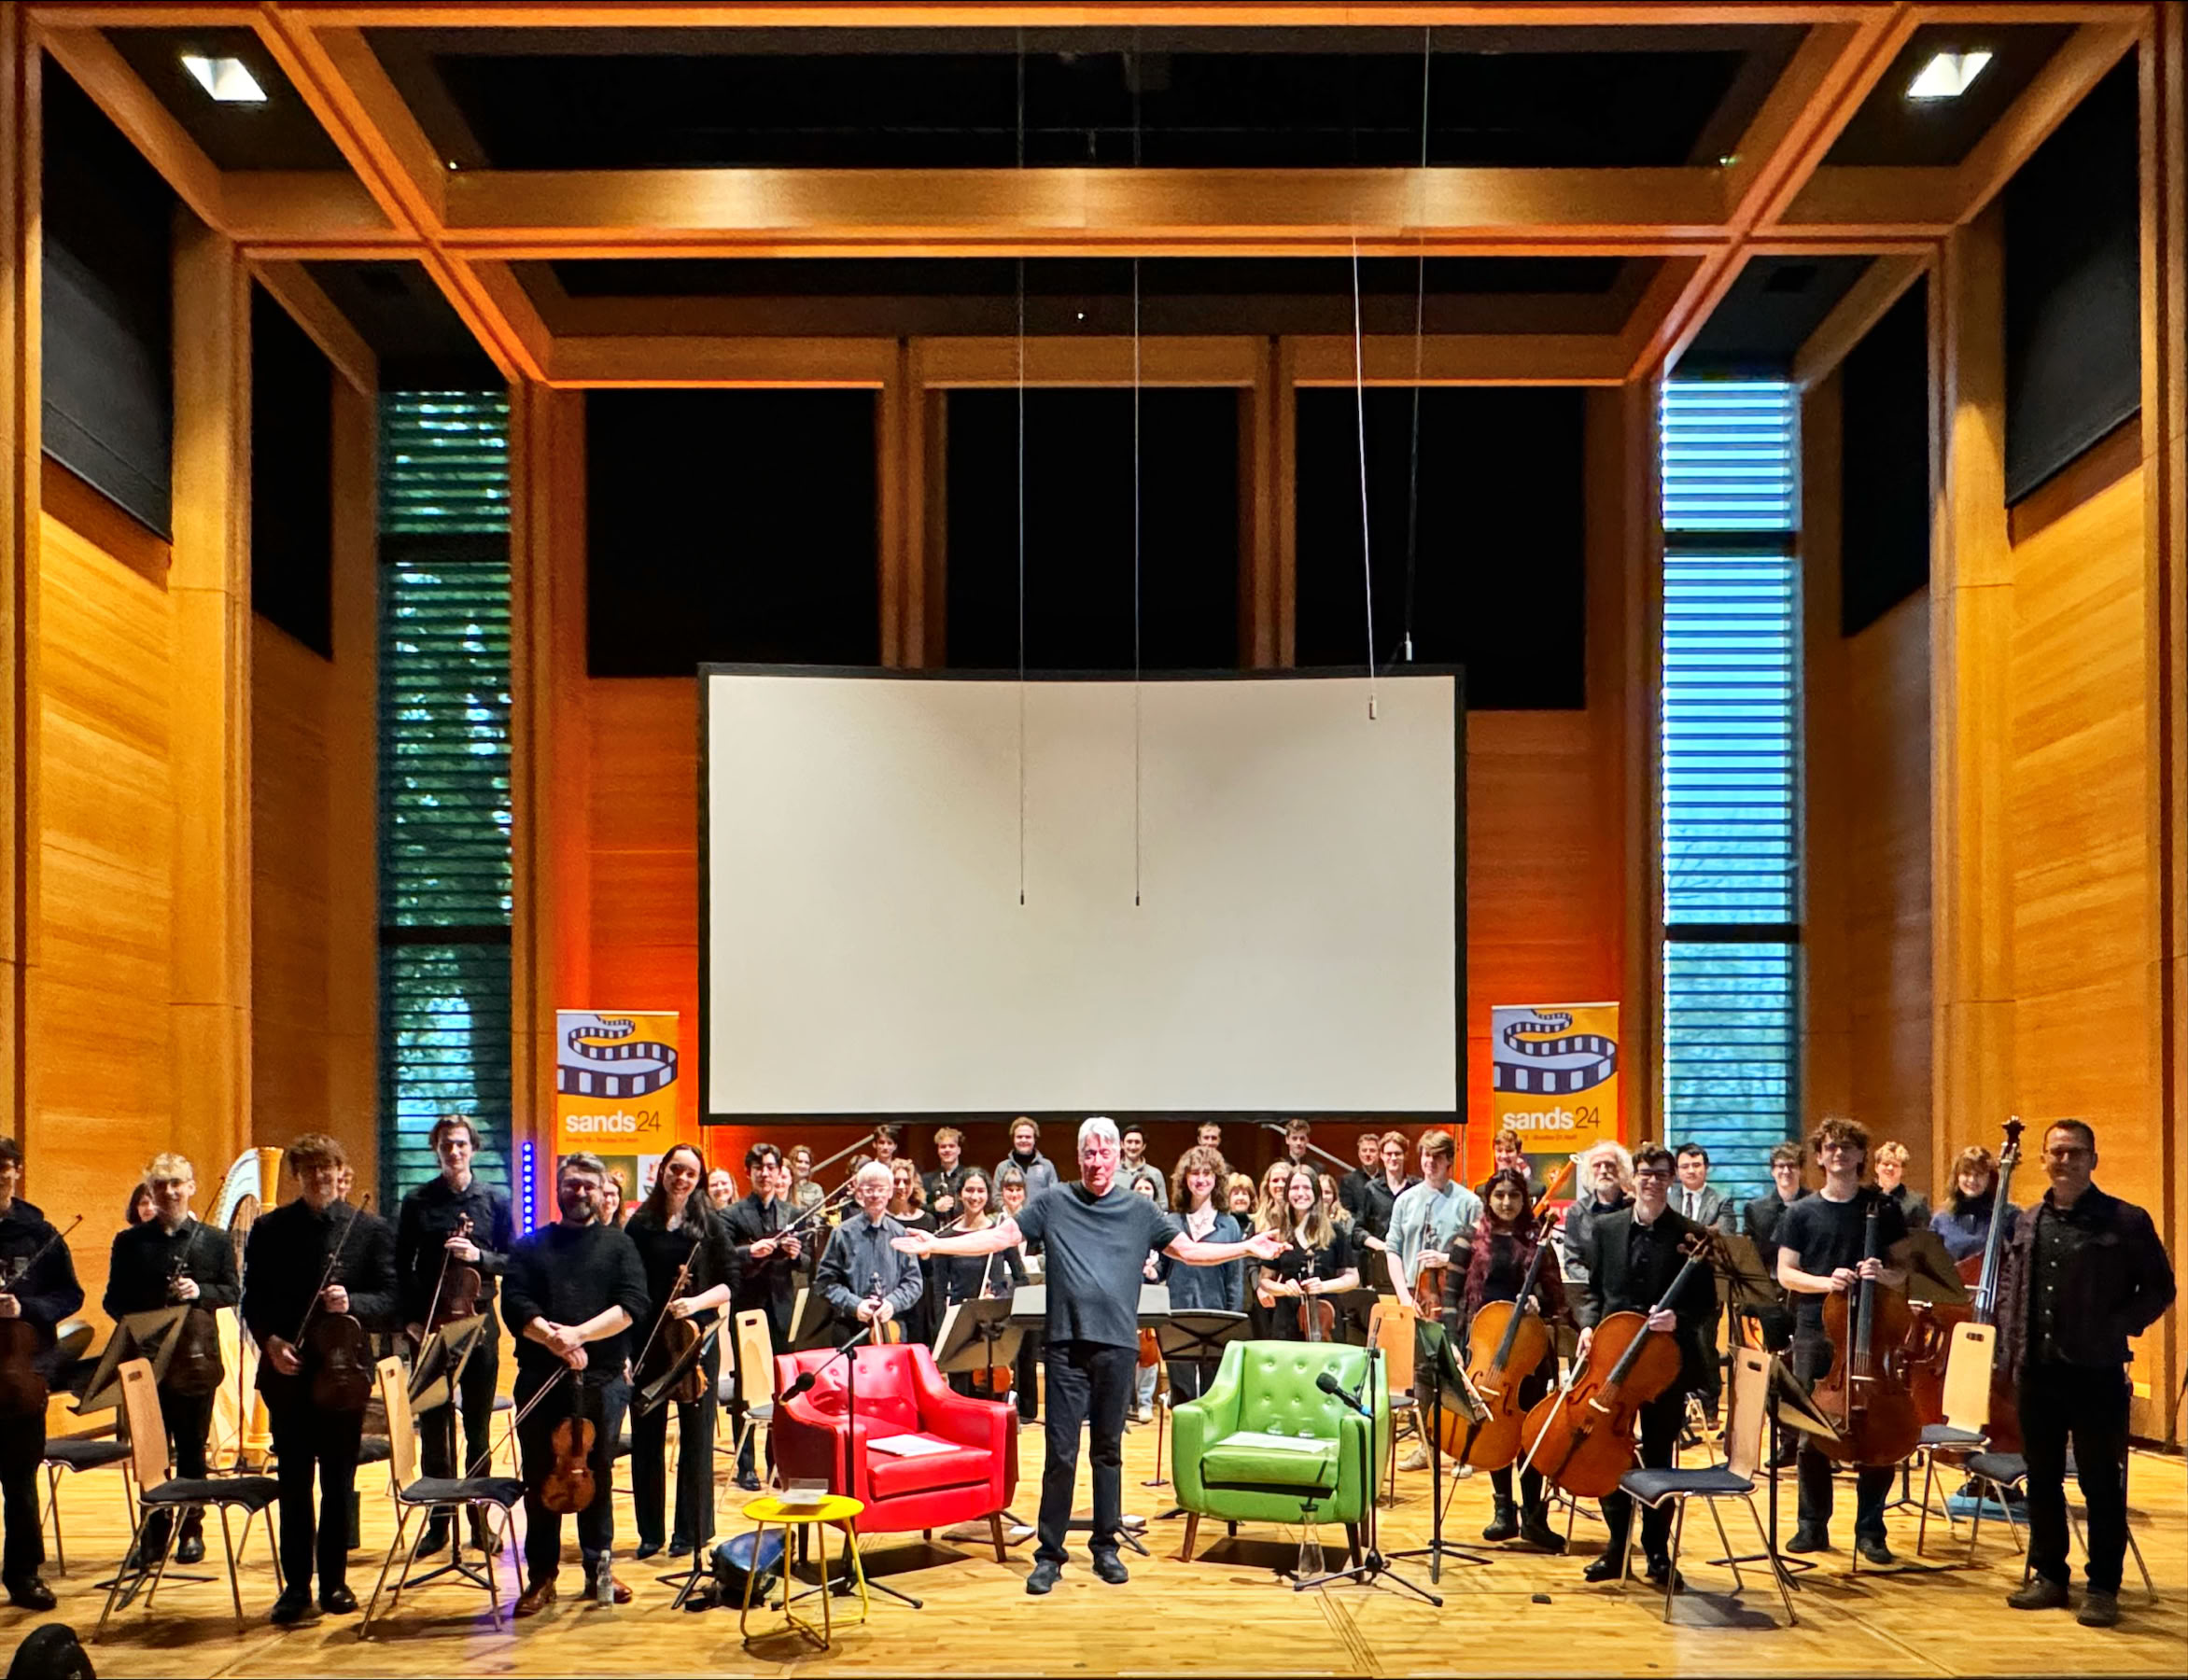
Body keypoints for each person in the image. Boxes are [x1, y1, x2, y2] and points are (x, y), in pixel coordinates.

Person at [895, 1117, 1282, 1594]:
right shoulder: (1055, 1202)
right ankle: (1050, 1553)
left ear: (1119, 1156)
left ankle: (1106, 1546)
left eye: (1105, 1153)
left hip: (1117, 1346)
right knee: (1060, 1453)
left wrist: (1246, 1245)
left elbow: (1188, 1252)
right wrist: (938, 1243)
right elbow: (1000, 1238)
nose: (1097, 1162)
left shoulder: (1140, 1209)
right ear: (1079, 1158)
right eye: (1089, 1154)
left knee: (1108, 1451)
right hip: (1064, 1345)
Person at [1997, 1120, 2175, 1628]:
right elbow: (2012, 1289)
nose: (2065, 1161)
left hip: (2096, 1374)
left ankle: (2102, 1588)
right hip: (2038, 1373)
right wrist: (2010, 1351)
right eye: (2056, 1152)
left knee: (2101, 1484)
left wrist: (2115, 1327)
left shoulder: (2125, 1220)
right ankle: (2051, 1576)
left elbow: (2160, 1288)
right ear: (2043, 1160)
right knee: (2044, 1480)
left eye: (2075, 1153)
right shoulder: (2027, 1222)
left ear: (2093, 1160)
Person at [241, 1134, 396, 1624]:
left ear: (342, 1173)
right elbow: (253, 1300)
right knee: (294, 1483)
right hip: (287, 1374)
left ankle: (335, 1582)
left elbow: (391, 1299)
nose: (321, 1179)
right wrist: (270, 1342)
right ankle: (294, 1586)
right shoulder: (269, 1229)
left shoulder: (368, 1230)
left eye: (329, 1170)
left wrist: (354, 1303)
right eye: (311, 1172)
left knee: (337, 1482)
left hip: (344, 1376)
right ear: (297, 1178)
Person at [504, 1152, 651, 1615]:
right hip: (540, 1377)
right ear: (559, 1188)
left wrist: (579, 1336)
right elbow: (516, 1305)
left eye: (588, 1184)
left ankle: (598, 1569)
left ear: (603, 1188)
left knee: (597, 1474)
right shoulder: (531, 1247)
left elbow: (633, 1304)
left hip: (601, 1380)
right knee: (539, 1475)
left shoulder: (619, 1246)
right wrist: (554, 1340)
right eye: (571, 1184)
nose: (580, 1192)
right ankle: (542, 1575)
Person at [1570, 1142, 1716, 1589]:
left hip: (1661, 1365)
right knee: (1608, 1450)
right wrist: (1589, 1326)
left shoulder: (1691, 1234)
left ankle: (1656, 1551)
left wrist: (1678, 1320)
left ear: (1671, 1180)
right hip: (1612, 1357)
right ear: (1633, 1179)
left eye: (1660, 1174)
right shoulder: (1607, 1227)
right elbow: (1594, 1291)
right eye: (1645, 1174)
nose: (1652, 1181)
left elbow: (1707, 1305)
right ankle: (1617, 1549)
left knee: (1657, 1457)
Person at [1774, 1116, 1907, 1564]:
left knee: (1878, 1430)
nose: (1838, 1154)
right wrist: (1824, 1282)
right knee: (1812, 1431)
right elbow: (1786, 1273)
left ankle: (1871, 1529)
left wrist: (1881, 1274)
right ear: (1818, 1156)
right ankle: (1812, 1526)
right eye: (1830, 1147)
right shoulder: (1801, 1212)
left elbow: (1905, 1270)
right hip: (1816, 1327)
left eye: (1847, 1147)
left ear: (1860, 1156)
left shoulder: (1882, 1208)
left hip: (1875, 1329)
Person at [104, 1152, 238, 1569]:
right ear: (151, 1193)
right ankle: (153, 1531)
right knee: (151, 1452)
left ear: (191, 1187)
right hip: (148, 1360)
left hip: (196, 1360)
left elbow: (231, 1291)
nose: (170, 1192)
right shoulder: (130, 1243)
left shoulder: (214, 1240)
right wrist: (151, 1310)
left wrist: (200, 1293)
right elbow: (113, 1301)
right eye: (161, 1186)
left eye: (177, 1183)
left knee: (193, 1448)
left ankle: (192, 1529)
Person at [394, 1114, 516, 1559]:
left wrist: (478, 1254)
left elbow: (512, 1259)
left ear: (473, 1149)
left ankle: (479, 1521)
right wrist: (409, 1321)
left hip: (478, 1324)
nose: (455, 1152)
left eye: (462, 1144)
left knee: (479, 1428)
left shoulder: (494, 1200)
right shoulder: (418, 1201)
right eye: (447, 1144)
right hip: (428, 1325)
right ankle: (439, 1521)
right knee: (434, 1427)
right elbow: (399, 1265)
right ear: (437, 1148)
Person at [624, 1141, 736, 1562]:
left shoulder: (710, 1223)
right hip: (648, 1340)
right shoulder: (641, 1223)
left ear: (699, 1179)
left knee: (696, 1437)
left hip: (694, 1340)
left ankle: (691, 1531)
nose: (682, 1178)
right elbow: (629, 1283)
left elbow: (730, 1284)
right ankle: (650, 1531)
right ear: (662, 1171)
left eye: (691, 1173)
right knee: (647, 1437)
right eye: (676, 1169)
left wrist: (696, 1302)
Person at [1462, 1169, 1567, 1553]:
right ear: (1489, 1199)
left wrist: (1539, 1300)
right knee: (1495, 1426)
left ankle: (1534, 1517)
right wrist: (1458, 1347)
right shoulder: (1469, 1241)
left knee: (1528, 1431)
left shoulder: (1538, 1241)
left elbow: (1557, 1299)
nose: (1506, 1202)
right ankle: (1504, 1511)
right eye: (1499, 1195)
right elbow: (1455, 1298)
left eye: (1514, 1196)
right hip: (1486, 1351)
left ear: (1524, 1200)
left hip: (1528, 1351)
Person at [0, 1140, 83, 1609]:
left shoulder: (40, 1234)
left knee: (20, 1482)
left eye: (5, 1170)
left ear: (18, 1172)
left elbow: (69, 1296)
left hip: (19, 1377)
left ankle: (24, 1573)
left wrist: (24, 1307)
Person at [1385, 1129, 1483, 1471]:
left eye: (1437, 1158)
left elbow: (1481, 1254)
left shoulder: (1468, 1202)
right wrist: (1402, 1295)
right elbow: (1392, 1250)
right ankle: (1426, 1446)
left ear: (1449, 1161)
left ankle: (1464, 1449)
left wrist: (1446, 1260)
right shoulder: (1406, 1201)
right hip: (1417, 1297)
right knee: (1422, 1374)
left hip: (1454, 1297)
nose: (1429, 1164)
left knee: (1457, 1370)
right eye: (1425, 1156)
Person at [722, 1141, 802, 1490]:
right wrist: (749, 1252)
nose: (765, 1173)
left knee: (781, 1391)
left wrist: (797, 1254)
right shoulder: (733, 1214)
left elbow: (807, 1263)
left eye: (771, 1167)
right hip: (749, 1309)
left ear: (779, 1171)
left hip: (783, 1309)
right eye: (759, 1168)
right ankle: (746, 1465)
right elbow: (724, 1257)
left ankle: (778, 1461)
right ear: (749, 1172)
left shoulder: (790, 1213)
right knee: (746, 1386)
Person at [929, 1169, 1026, 1400]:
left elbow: (1021, 1279)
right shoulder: (945, 1238)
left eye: (981, 1190)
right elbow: (939, 1291)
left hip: (994, 1326)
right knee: (961, 1399)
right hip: (961, 1327)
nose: (975, 1196)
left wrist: (1002, 1299)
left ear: (988, 1194)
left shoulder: (1000, 1233)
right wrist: (944, 1335)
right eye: (969, 1190)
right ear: (960, 1194)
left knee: (994, 1399)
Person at [1160, 1148, 1241, 1404]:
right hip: (1178, 1316)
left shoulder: (1230, 1225)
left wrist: (1233, 1322)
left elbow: (1235, 1280)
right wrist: (1148, 1270)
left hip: (1216, 1318)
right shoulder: (1171, 1222)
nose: (1200, 1179)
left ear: (1216, 1179)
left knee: (1213, 1397)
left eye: (1207, 1173)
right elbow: (1160, 1271)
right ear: (1184, 1179)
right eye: (1194, 1173)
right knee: (1181, 1396)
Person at [815, 1162, 923, 1344]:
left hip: (892, 1328)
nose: (875, 1195)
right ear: (859, 1193)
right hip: (851, 1329)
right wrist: (854, 1305)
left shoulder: (900, 1233)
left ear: (890, 1193)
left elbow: (913, 1283)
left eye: (881, 1189)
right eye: (869, 1189)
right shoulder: (842, 1234)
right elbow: (825, 1283)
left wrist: (892, 1302)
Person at [1668, 1141, 1734, 1426]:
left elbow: (1724, 1235)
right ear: (1677, 1170)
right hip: (1671, 1284)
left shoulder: (1721, 1200)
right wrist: (1703, 1232)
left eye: (1696, 1165)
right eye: (1685, 1166)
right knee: (1675, 1346)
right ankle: (1679, 1404)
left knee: (1704, 1343)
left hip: (1708, 1283)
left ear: (1706, 1168)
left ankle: (1710, 1404)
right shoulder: (1668, 1197)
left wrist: (1689, 1233)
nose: (1691, 1170)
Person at [1256, 1165, 1358, 1342]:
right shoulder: (1278, 1233)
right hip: (1286, 1323)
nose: (1300, 1193)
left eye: (1306, 1187)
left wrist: (1324, 1286)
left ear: (1316, 1193)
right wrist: (1284, 1289)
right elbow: (1265, 1280)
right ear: (1287, 1192)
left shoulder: (1335, 1232)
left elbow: (1352, 1277)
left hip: (1327, 1319)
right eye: (1295, 1188)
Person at [996, 1168, 1042, 1421]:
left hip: (1029, 1292)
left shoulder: (1033, 1221)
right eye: (1009, 1190)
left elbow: (1045, 1253)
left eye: (1018, 1190)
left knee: (1028, 1352)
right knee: (1005, 1352)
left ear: (1024, 1194)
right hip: (1003, 1292)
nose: (1013, 1195)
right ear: (1002, 1193)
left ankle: (1028, 1409)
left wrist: (1030, 1263)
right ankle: (1005, 1405)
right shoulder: (995, 1222)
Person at [1557, 1141, 1635, 1282]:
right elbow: (1573, 1262)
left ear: (1621, 1169)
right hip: (1590, 1294)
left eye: (1610, 1165)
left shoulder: (1635, 1208)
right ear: (1589, 1172)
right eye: (1597, 1166)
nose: (1603, 1170)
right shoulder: (1577, 1212)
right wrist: (1597, 1283)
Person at [1129, 1177, 1165, 1420]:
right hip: (1125, 1293)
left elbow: (1169, 1260)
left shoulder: (1161, 1223)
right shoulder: (1123, 1219)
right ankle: (1126, 1402)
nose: (1143, 1191)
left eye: (1147, 1188)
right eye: (1138, 1188)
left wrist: (1155, 1270)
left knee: (1148, 1351)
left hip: (1150, 1291)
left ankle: (1144, 1401)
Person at [1355, 1131, 1417, 1254]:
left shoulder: (1417, 1188)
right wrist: (1382, 1246)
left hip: (1411, 1257)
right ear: (1382, 1156)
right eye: (1389, 1154)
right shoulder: (1371, 1189)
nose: (1393, 1158)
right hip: (1380, 1258)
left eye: (1397, 1153)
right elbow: (1358, 1230)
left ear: (1405, 1155)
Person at [996, 1118, 1059, 1202]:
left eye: (1028, 1137)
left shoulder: (1047, 1166)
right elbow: (997, 1197)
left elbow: (1055, 1196)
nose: (1023, 1140)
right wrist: (1010, 1213)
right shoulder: (1002, 1168)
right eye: (1019, 1137)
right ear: (1013, 1139)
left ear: (1035, 1139)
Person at [1477, 1128, 1548, 1203]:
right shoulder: (1481, 1191)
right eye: (1499, 1151)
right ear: (1494, 1152)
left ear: (1519, 1153)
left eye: (1509, 1151)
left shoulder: (1536, 1190)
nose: (1504, 1156)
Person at [924, 1127, 971, 1223]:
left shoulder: (969, 1177)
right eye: (943, 1146)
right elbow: (917, 1208)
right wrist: (934, 1207)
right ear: (938, 1150)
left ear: (959, 1150)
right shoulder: (927, 1179)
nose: (947, 1150)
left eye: (951, 1146)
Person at [1117, 1125, 1168, 1208]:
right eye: (1129, 1142)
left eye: (1137, 1142)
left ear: (1144, 1146)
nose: (1133, 1147)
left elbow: (1163, 1206)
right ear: (1122, 1144)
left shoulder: (1155, 1174)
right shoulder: (1112, 1174)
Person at [1339, 1131, 1382, 1225]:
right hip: (1358, 1232)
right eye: (1364, 1150)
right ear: (1359, 1153)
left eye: (1372, 1150)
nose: (1368, 1154)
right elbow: (1347, 1213)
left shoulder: (1386, 1179)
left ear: (1380, 1154)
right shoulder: (1347, 1181)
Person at [788, 1145, 824, 1216]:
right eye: (799, 1161)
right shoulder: (784, 1185)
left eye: (807, 1163)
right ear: (792, 1163)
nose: (803, 1166)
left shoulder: (816, 1189)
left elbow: (820, 1215)